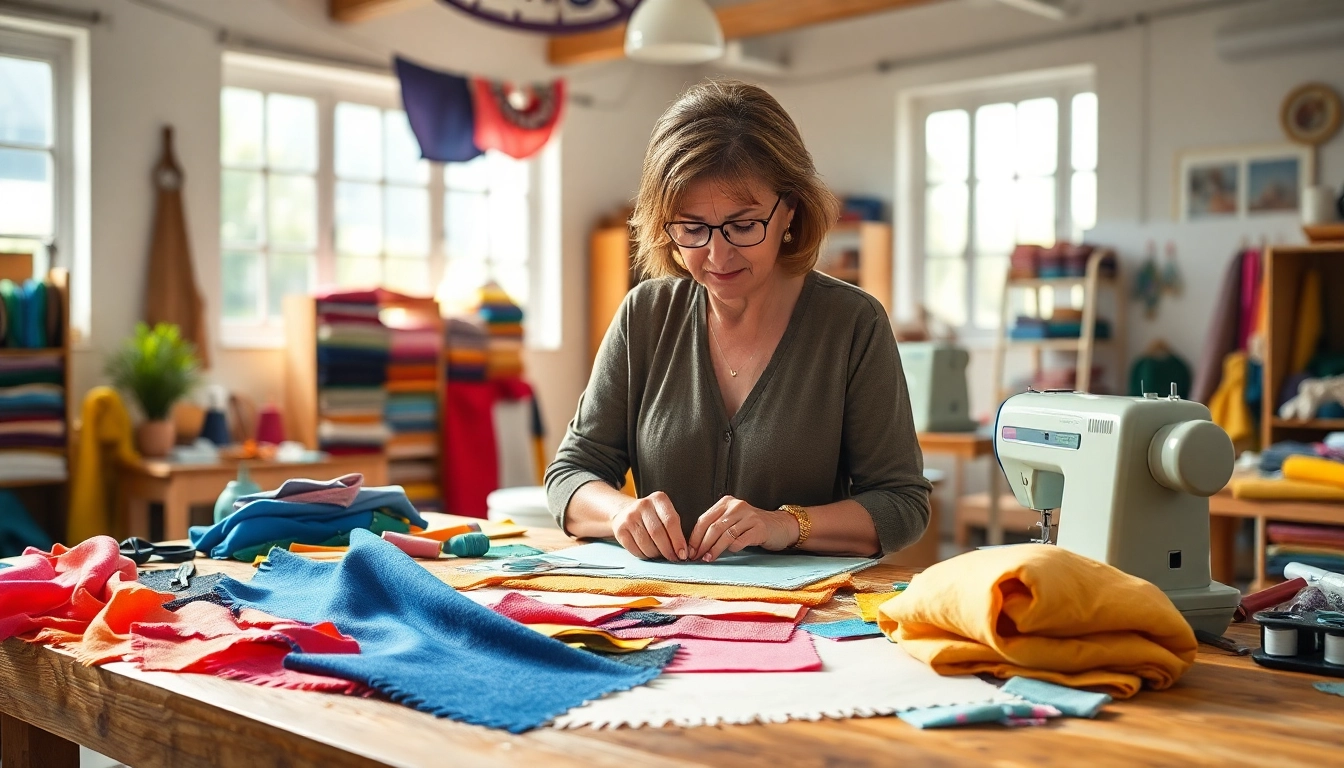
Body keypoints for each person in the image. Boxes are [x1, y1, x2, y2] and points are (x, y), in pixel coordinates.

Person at [545, 79, 930, 563]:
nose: (717, 254)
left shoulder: (852, 324)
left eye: (744, 226)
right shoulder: (645, 315)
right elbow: (570, 475)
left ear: (789, 211)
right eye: (692, 228)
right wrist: (620, 512)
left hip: (802, 615)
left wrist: (785, 525)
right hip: (665, 607)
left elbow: (901, 504)